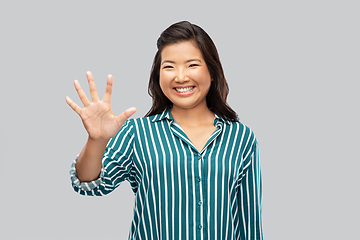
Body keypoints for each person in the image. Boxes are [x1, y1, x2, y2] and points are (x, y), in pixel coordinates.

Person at [66, 21, 263, 240]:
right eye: (169, 67)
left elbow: (249, 223)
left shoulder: (241, 138)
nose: (180, 77)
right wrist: (96, 140)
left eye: (192, 65)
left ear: (212, 71)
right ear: (158, 76)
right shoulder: (137, 133)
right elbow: (89, 185)